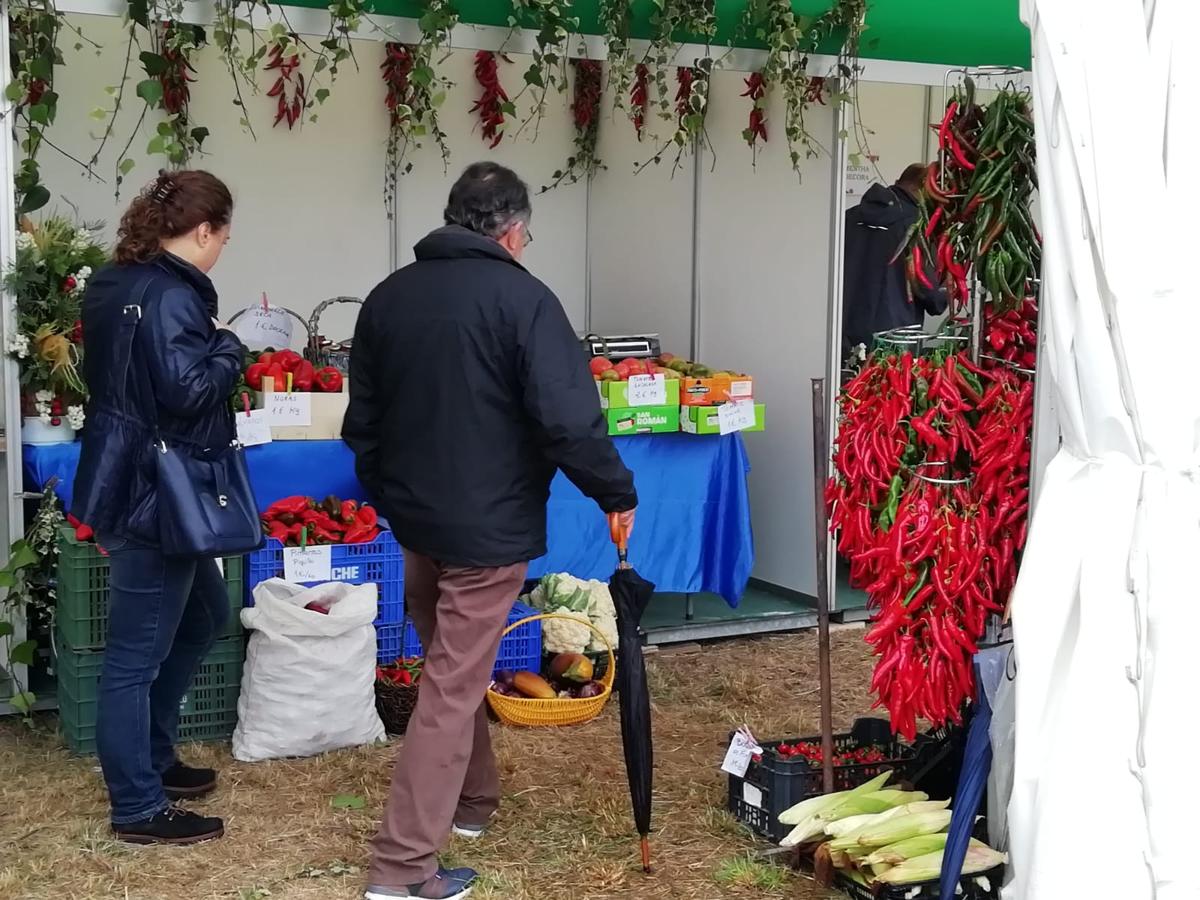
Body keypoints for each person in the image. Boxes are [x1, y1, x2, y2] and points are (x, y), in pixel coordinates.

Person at [344, 161, 638, 900]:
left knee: (452, 664)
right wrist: (614, 490)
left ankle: (472, 805)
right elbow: (569, 420)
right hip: (486, 527)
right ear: (512, 230)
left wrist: (395, 497)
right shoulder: (525, 299)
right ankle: (403, 867)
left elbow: (363, 426)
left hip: (419, 521)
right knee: (450, 683)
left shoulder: (388, 297)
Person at [72, 170, 244, 846]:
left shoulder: (114, 280)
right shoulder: (172, 296)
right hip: (159, 492)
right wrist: (228, 342)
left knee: (204, 614)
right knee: (133, 658)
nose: (221, 249)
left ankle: (154, 755)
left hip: (130, 475)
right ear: (202, 230)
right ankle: (138, 806)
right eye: (223, 238)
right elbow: (190, 391)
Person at [841, 163, 948, 356]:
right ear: (922, 190)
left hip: (848, 337)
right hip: (896, 340)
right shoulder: (916, 225)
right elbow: (931, 294)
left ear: (898, 183)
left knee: (849, 384)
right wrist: (948, 291)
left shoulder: (849, 218)